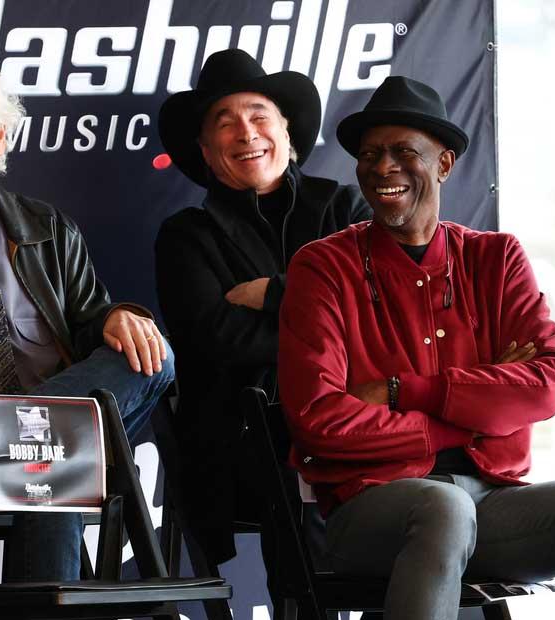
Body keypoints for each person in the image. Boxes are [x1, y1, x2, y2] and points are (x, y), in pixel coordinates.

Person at [278, 76, 555, 620]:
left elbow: (546, 382)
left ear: (444, 164)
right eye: (370, 154)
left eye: (405, 152)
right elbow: (319, 418)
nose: (383, 168)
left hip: (492, 499)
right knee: (443, 506)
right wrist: (475, 415)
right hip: (370, 507)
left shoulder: (496, 258)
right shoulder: (323, 265)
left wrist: (405, 392)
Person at [0, 55, 173, 582]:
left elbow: (88, 317)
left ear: (1, 137)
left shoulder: (49, 227)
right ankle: (32, 438)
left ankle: (30, 437)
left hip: (45, 446)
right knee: (54, 460)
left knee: (152, 357)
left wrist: (115, 317)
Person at [154, 48, 369, 565]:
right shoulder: (186, 237)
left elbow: (377, 310)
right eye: (224, 123)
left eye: (258, 116)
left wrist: (273, 294)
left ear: (287, 133)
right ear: (206, 151)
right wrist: (329, 329)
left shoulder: (344, 207)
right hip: (246, 444)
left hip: (362, 424)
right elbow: (218, 341)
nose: (245, 133)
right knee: (295, 456)